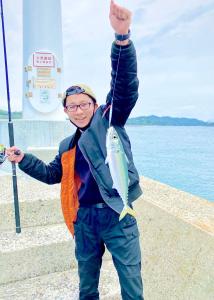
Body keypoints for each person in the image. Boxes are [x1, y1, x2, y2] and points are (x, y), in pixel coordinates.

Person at [6, 1, 144, 299]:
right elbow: (52, 173)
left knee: (131, 287)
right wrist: (24, 159)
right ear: (66, 112)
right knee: (86, 287)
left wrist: (122, 40)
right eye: (72, 107)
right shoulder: (67, 144)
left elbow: (123, 86)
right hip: (85, 221)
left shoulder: (110, 122)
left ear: (95, 106)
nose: (78, 111)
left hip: (117, 213)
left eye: (84, 105)